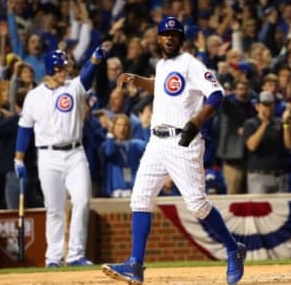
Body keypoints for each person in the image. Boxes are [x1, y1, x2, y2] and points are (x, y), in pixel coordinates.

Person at [101, 17, 246, 285]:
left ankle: (233, 248)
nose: (169, 38)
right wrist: (136, 79)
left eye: (174, 34)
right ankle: (135, 264)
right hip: (156, 141)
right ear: (158, 38)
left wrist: (197, 120)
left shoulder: (190, 64)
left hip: (184, 141)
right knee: (140, 198)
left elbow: (217, 94)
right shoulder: (164, 64)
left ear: (181, 39)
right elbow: (160, 86)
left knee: (198, 205)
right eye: (165, 34)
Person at [13, 43, 110, 267]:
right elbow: (24, 129)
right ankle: (53, 257)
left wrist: (95, 60)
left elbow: (86, 76)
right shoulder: (33, 97)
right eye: (59, 68)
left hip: (75, 152)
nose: (64, 71)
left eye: (65, 67)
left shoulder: (73, 87)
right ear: (49, 70)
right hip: (48, 156)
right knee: (54, 208)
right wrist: (18, 158)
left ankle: (76, 254)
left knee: (82, 200)